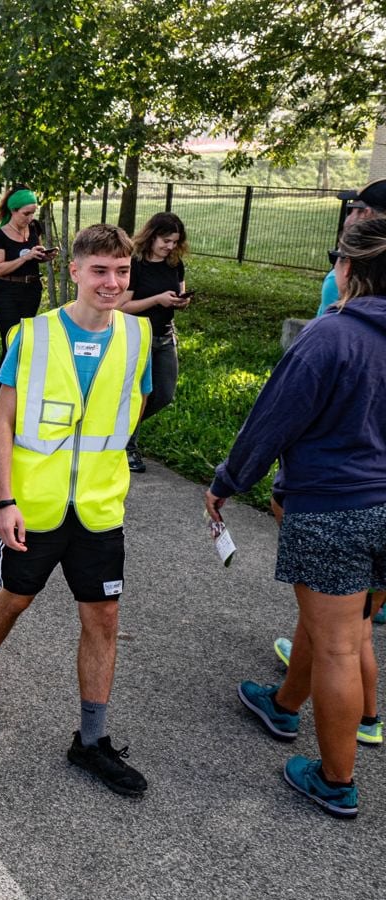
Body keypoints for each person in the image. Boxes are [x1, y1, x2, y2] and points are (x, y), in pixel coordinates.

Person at [0, 223, 153, 798]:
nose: (112, 283)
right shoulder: (34, 335)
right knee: (15, 600)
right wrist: (5, 500)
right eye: (100, 270)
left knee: (104, 618)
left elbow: (131, 409)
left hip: (98, 509)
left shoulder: (138, 337)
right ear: (74, 272)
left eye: (122, 272)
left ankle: (91, 741)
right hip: (35, 507)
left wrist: (98, 476)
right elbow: (3, 422)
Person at [214, 218, 386, 819]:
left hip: (335, 505)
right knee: (336, 618)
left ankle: (336, 780)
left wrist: (227, 483)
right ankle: (283, 704)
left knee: (339, 643)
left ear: (349, 268)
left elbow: (273, 419)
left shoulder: (330, 337)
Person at [118, 212, 189, 473]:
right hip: (138, 336)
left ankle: (119, 429)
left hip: (165, 335)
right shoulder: (134, 264)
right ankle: (127, 445)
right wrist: (156, 300)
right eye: (166, 240)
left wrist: (181, 301)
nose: (170, 247)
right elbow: (121, 306)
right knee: (140, 394)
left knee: (164, 394)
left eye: (174, 242)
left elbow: (180, 291)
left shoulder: (175, 263)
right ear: (152, 235)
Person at [0, 185, 53, 367]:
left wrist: (43, 256)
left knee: (24, 338)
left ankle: (8, 381)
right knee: (11, 339)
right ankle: (6, 383)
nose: (30, 218)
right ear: (13, 210)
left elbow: (34, 254)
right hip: (6, 293)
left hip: (31, 291)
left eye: (33, 213)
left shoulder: (33, 228)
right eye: (26, 214)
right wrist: (25, 257)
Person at [319, 179, 384, 315]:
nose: (347, 219)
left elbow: (331, 330)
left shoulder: (340, 281)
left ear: (365, 213)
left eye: (351, 211)